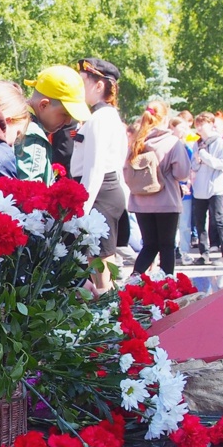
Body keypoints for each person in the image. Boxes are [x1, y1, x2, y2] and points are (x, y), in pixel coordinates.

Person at [70, 58, 128, 293]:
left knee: (101, 262)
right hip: (105, 192)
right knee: (102, 261)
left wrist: (81, 213)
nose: (78, 88)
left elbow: (94, 171)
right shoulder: (107, 117)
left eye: (83, 82)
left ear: (99, 86)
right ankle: (109, 312)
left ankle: (108, 315)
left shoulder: (99, 120)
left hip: (99, 193)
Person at [125, 101, 189, 276]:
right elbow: (182, 173)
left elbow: (126, 172)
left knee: (149, 245)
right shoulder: (172, 142)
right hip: (166, 201)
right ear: (165, 118)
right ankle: (167, 284)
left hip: (140, 202)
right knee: (167, 246)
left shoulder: (137, 142)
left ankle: (134, 278)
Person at [17, 65, 91, 182]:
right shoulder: (34, 137)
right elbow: (29, 192)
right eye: (65, 114)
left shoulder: (16, 119)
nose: (67, 122)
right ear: (44, 105)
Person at [189, 112, 223, 264]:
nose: (199, 127)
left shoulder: (218, 142)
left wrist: (205, 157)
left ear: (211, 124)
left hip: (215, 188)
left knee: (219, 219)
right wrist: (197, 161)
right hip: (200, 188)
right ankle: (204, 253)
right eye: (198, 124)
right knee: (200, 221)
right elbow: (194, 165)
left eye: (203, 124)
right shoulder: (197, 143)